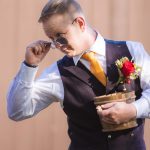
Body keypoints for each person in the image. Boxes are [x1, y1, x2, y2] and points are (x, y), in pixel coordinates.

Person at [7, 0, 150, 150]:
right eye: (52, 40)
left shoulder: (132, 50)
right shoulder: (57, 73)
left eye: (60, 37)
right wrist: (29, 66)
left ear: (80, 24)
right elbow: (17, 111)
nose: (58, 45)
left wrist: (134, 110)